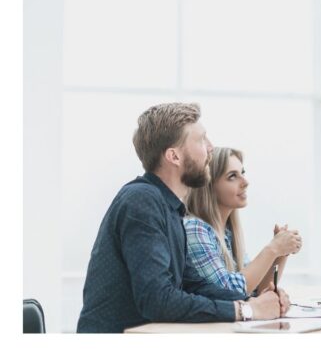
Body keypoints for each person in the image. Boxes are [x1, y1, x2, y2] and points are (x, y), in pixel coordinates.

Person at [77, 103, 287, 333]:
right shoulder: (142, 201)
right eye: (201, 140)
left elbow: (195, 286)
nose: (211, 147)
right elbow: (158, 300)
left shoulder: (170, 208)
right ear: (174, 156)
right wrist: (247, 311)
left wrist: (256, 302)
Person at [184, 147, 302, 295]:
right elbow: (228, 292)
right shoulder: (194, 228)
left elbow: (256, 290)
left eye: (243, 173)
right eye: (232, 176)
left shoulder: (227, 233)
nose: (245, 182)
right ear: (209, 187)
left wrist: (282, 252)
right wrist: (273, 249)